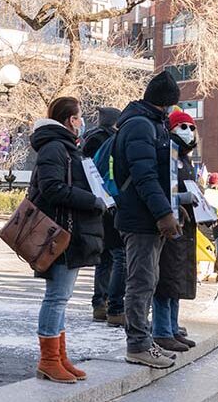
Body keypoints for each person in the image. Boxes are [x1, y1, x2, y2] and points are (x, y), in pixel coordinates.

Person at [29, 97, 105, 383]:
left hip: (68, 233)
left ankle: (59, 356)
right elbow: (52, 188)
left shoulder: (64, 147)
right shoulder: (54, 147)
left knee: (62, 297)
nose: (81, 121)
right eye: (79, 116)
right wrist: (92, 201)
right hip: (58, 234)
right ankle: (49, 359)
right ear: (71, 120)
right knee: (56, 297)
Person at [113, 71, 182, 369]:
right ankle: (138, 345)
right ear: (166, 103)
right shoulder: (142, 126)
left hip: (145, 217)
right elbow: (145, 176)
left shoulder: (148, 123)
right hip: (142, 219)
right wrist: (163, 214)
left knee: (148, 279)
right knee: (141, 282)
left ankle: (144, 341)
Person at [152, 110, 199, 353]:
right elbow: (162, 190)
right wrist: (182, 197)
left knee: (177, 280)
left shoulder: (187, 160)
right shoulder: (166, 156)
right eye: (182, 127)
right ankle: (161, 329)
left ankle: (172, 327)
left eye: (191, 127)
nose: (188, 132)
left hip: (185, 228)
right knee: (165, 280)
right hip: (171, 226)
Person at [82, 107, 126, 326]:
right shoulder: (110, 140)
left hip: (99, 204)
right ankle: (111, 304)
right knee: (119, 255)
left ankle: (99, 303)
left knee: (106, 256)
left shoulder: (92, 138)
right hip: (111, 202)